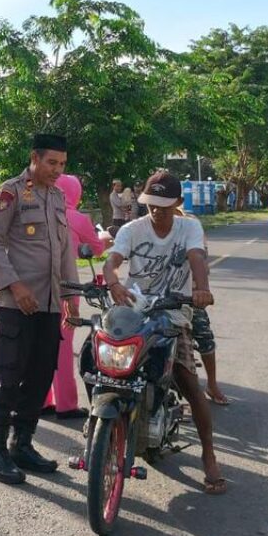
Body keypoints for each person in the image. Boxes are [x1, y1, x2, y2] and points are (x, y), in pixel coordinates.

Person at [103, 170, 226, 494]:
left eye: (163, 205)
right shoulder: (132, 229)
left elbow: (196, 258)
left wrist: (201, 288)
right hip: (133, 309)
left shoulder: (189, 227)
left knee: (187, 379)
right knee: (99, 357)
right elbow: (112, 261)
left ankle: (209, 455)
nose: (156, 210)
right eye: (151, 204)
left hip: (173, 313)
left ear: (177, 203)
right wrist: (113, 282)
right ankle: (103, 420)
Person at [0, 133, 79, 484]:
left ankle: (21, 444)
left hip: (50, 305)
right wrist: (15, 284)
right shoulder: (10, 192)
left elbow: (65, 251)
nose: (57, 170)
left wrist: (69, 296)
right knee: (7, 377)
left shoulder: (57, 196)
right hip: (15, 305)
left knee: (38, 379)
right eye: (52, 162)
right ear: (34, 158)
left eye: (63, 164)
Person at [42, 173, 109, 419]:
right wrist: (105, 237)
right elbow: (96, 248)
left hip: (35, 286)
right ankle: (66, 404)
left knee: (39, 343)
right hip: (65, 286)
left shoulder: (39, 212)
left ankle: (41, 400)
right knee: (62, 344)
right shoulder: (77, 218)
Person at [175, 205, 229, 406]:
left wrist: (199, 290)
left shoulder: (192, 225)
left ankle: (212, 384)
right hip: (158, 296)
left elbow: (201, 262)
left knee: (204, 335)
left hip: (188, 294)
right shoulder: (147, 226)